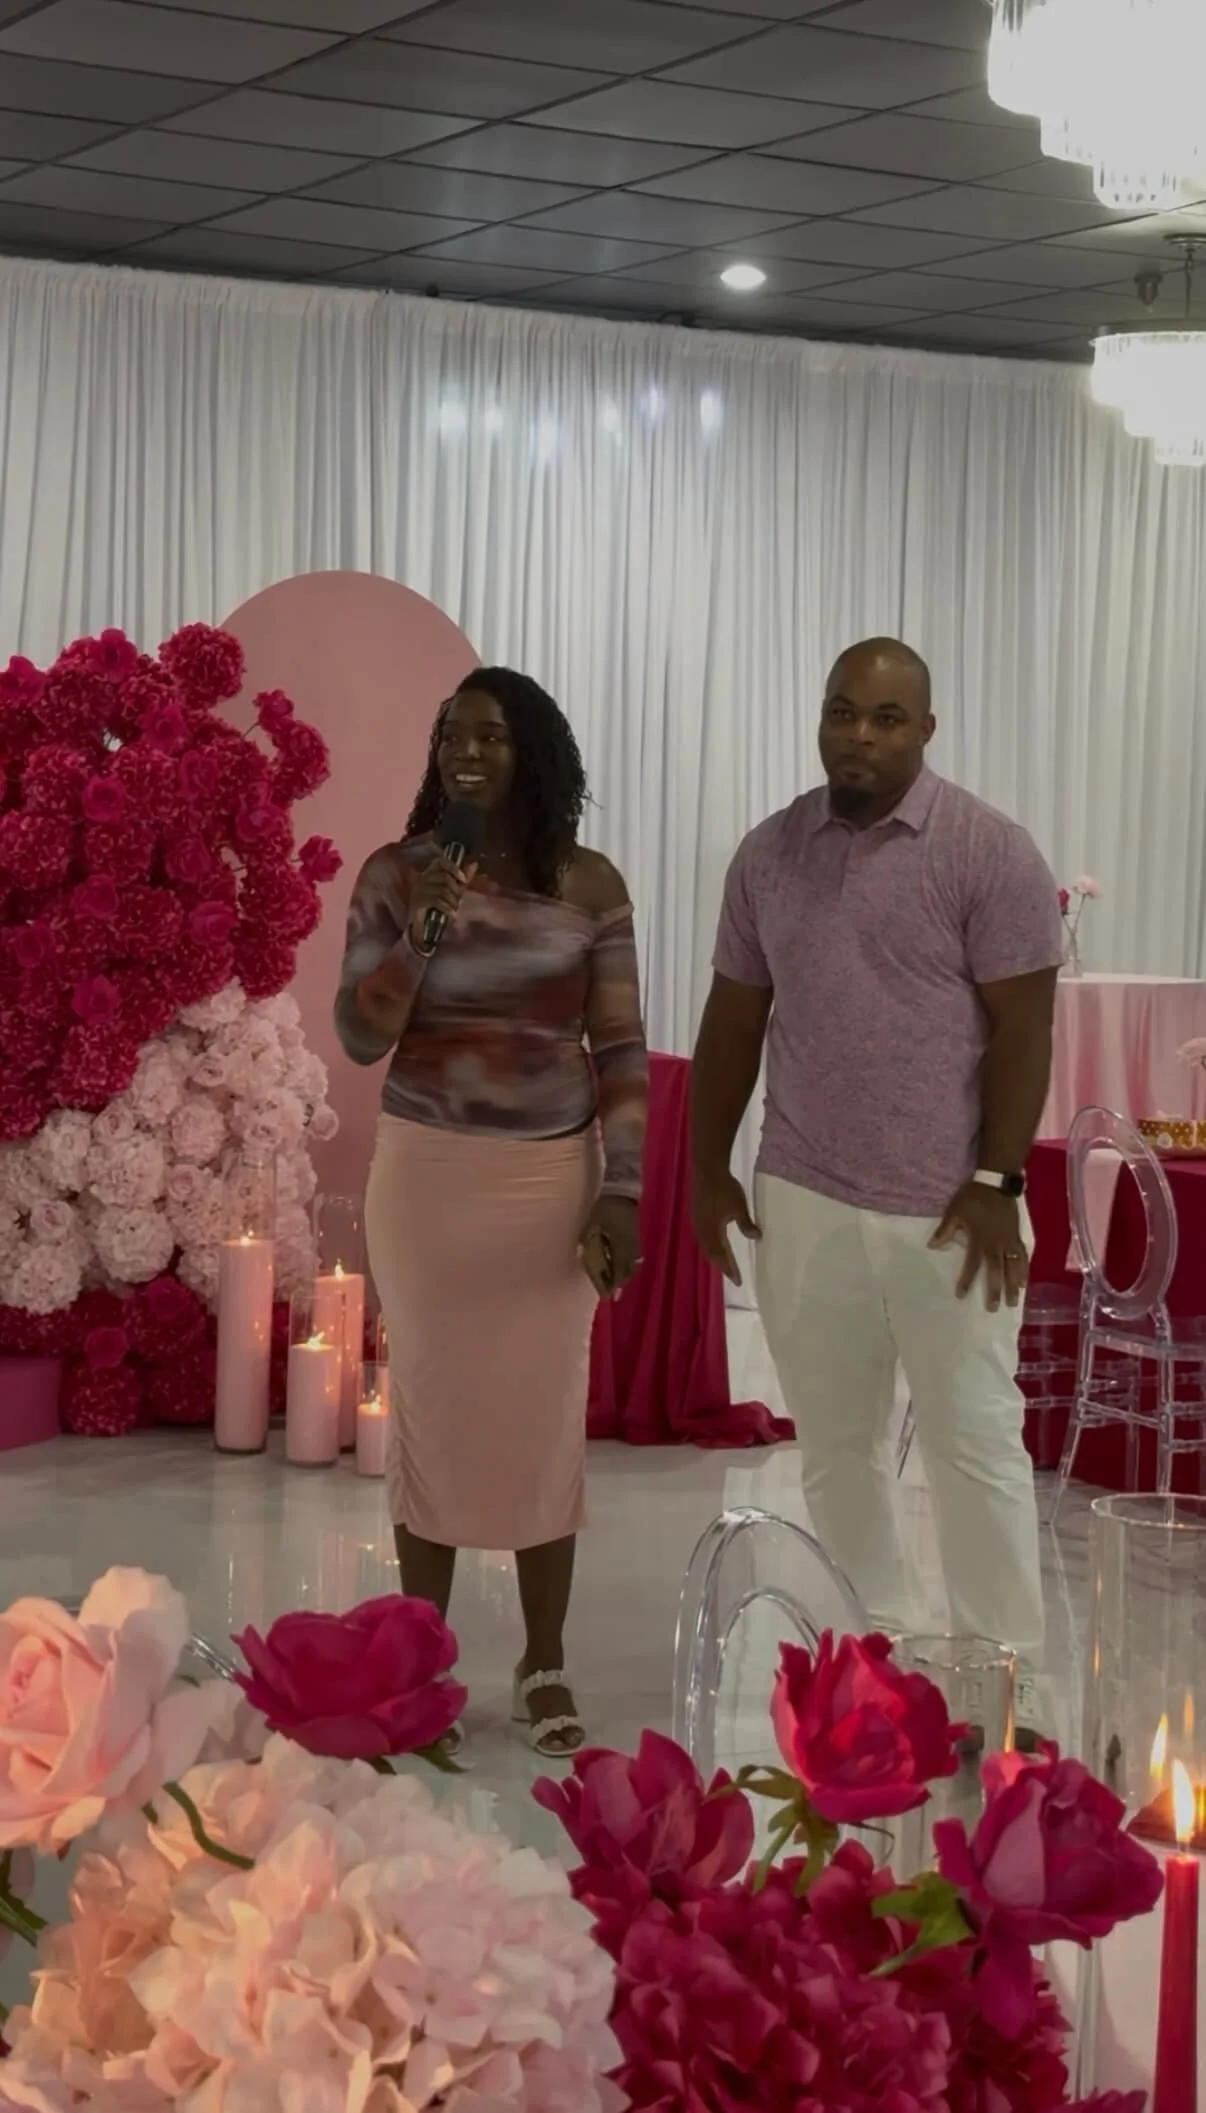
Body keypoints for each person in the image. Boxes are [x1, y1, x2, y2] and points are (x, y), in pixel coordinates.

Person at [690, 638, 1063, 1687]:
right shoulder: (769, 855)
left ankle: (1004, 1676)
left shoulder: (988, 852)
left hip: (950, 1211)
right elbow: (733, 1018)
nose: (858, 735)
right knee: (837, 1450)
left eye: (886, 718)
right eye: (841, 711)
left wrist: (998, 1182)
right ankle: (872, 1654)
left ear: (927, 730)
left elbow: (1024, 1030)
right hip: (803, 1195)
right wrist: (706, 1167)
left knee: (975, 1447)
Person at [334, 668, 647, 1758]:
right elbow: (363, 1036)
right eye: (453, 733)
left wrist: (623, 1188)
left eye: (494, 735)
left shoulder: (591, 886)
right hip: (427, 1179)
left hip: (545, 1188)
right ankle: (420, 1660)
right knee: (429, 1404)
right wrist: (421, 934)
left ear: (537, 755)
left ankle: (542, 1660)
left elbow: (619, 1052)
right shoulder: (394, 873)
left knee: (543, 1415)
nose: (469, 750)